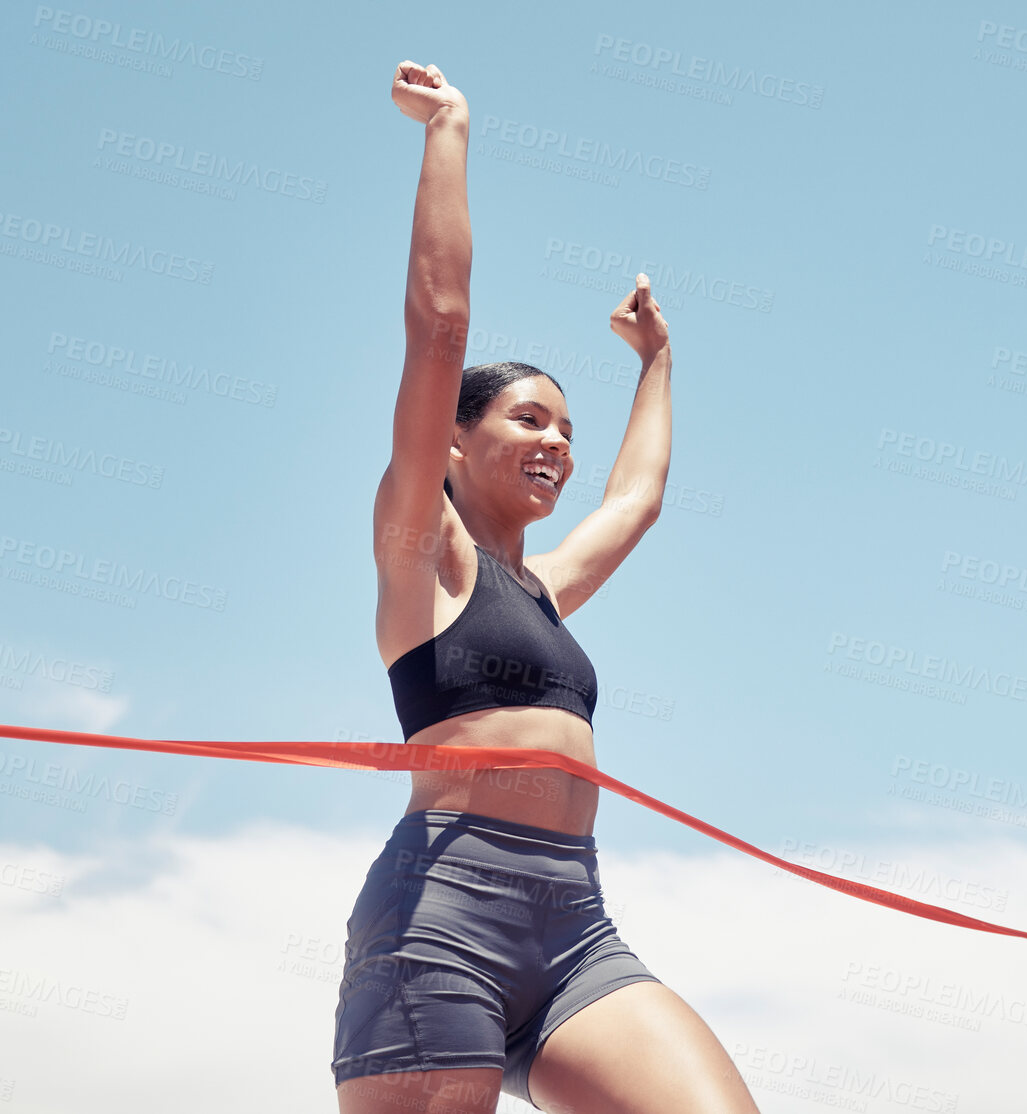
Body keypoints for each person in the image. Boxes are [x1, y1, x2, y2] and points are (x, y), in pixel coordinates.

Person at [330, 60, 762, 1114]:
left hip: (574, 926)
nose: (558, 443)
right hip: (439, 920)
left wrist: (656, 361)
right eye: (529, 420)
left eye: (567, 429)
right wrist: (450, 132)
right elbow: (438, 327)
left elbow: (637, 500)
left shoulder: (545, 587)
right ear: (455, 444)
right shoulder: (420, 552)